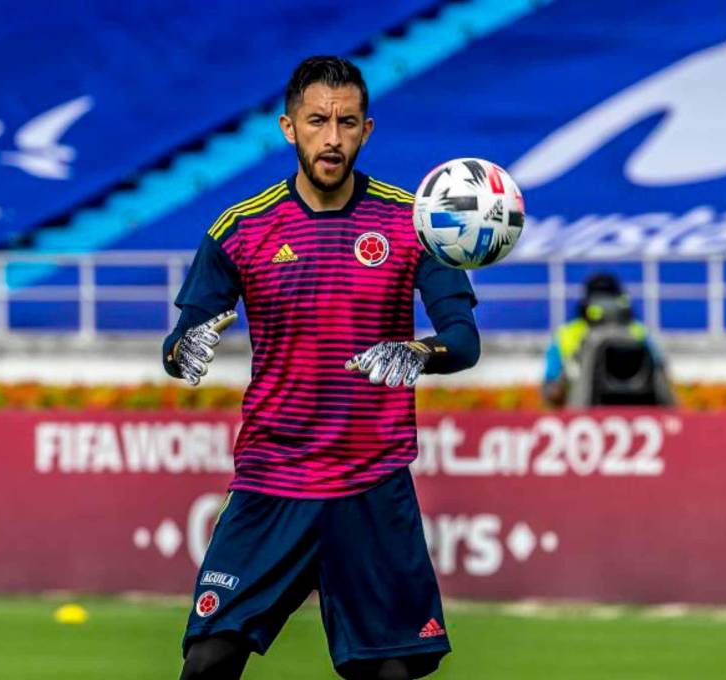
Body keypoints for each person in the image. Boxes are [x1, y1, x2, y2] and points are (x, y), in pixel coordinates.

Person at [162, 56, 480, 680]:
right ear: (289, 128)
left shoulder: (413, 224)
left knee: (386, 675)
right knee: (207, 661)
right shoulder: (239, 230)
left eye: (347, 122)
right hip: (272, 478)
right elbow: (180, 342)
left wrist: (419, 353)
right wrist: (185, 351)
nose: (332, 137)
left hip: (371, 481)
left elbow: (463, 339)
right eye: (317, 121)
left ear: (367, 130)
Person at [542, 272, 673, 407]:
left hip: (631, 408)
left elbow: (660, 373)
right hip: (586, 409)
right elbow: (551, 385)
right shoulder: (567, 334)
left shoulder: (639, 332)